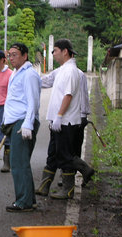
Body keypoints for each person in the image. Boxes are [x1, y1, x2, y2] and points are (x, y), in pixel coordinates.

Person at [36, 39, 94, 200]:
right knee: (53, 154)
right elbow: (45, 81)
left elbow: (68, 95)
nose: (53, 54)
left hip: (66, 121)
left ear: (65, 51)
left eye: (55, 51)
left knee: (65, 156)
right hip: (58, 121)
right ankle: (44, 186)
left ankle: (72, 185)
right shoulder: (61, 70)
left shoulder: (71, 72)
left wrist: (60, 116)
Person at [3, 43, 41, 212]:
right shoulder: (16, 73)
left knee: (18, 162)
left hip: (23, 121)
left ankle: (23, 202)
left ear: (25, 56)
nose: (11, 58)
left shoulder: (29, 74)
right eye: (10, 55)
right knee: (20, 161)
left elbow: (33, 100)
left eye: (15, 55)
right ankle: (28, 199)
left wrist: (28, 123)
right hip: (16, 121)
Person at [40, 67, 91, 186]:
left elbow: (83, 95)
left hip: (74, 118)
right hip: (58, 118)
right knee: (57, 150)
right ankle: (63, 178)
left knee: (70, 149)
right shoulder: (58, 72)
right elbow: (46, 81)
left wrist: (83, 115)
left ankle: (76, 174)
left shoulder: (78, 74)